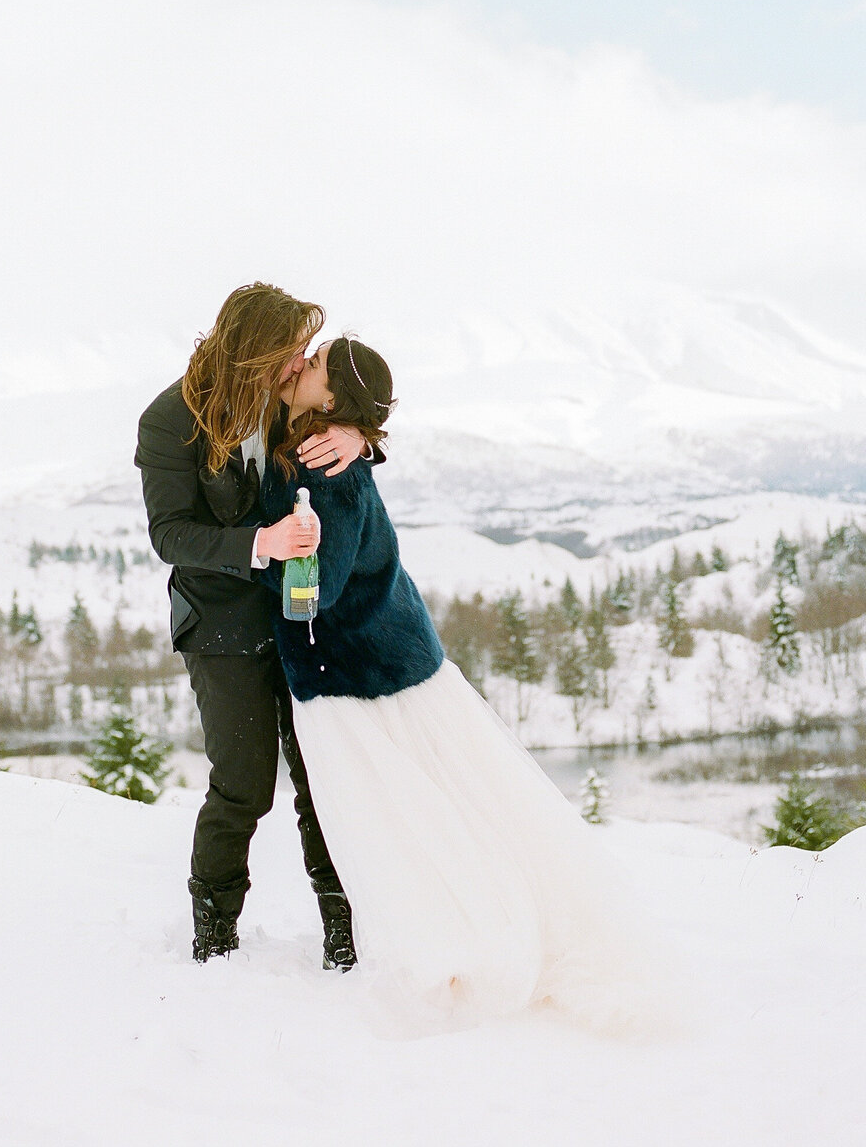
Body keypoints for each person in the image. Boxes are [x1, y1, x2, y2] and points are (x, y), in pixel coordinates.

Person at [258, 335, 681, 1033]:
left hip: (363, 678)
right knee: (446, 806)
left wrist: (270, 554)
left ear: (332, 401)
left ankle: (456, 938)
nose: (302, 361)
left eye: (319, 362)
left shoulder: (323, 466)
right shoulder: (324, 441)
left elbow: (313, 593)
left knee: (402, 818)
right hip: (390, 658)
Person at [134, 284, 380, 967]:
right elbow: (170, 533)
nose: (300, 364)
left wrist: (361, 435)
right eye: (291, 351)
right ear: (254, 352)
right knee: (244, 783)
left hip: (300, 618)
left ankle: (345, 932)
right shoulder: (167, 419)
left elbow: (352, 402)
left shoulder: (281, 399)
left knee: (320, 776)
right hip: (218, 623)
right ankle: (214, 938)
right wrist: (258, 545)